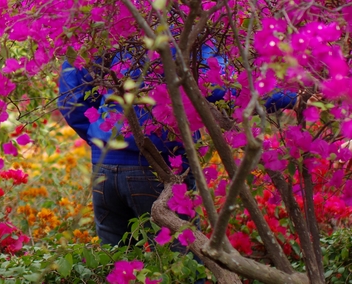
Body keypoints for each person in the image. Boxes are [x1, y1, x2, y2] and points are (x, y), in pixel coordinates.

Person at [58, 45, 296, 247]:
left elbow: (71, 100)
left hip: (105, 170)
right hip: (159, 167)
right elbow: (224, 87)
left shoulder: (100, 28)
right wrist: (293, 96)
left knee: (116, 264)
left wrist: (102, 138)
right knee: (184, 264)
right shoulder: (180, 26)